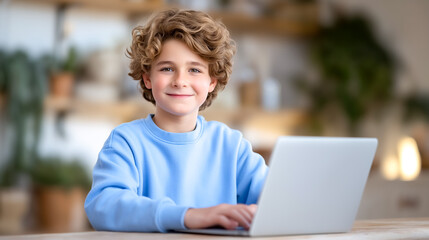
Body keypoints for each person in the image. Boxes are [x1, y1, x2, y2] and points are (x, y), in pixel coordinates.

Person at [84, 8, 268, 233]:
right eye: (167, 68)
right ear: (147, 78)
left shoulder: (231, 145)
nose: (180, 81)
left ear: (212, 81)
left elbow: (275, 199)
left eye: (194, 70)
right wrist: (187, 216)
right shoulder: (126, 142)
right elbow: (104, 206)